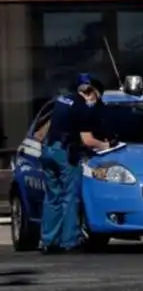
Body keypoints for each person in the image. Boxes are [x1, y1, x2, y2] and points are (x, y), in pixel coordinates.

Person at [39, 75, 110, 254]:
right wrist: (107, 145)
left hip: (49, 151)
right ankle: (69, 241)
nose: (96, 100)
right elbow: (87, 140)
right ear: (91, 92)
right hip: (65, 154)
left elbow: (46, 128)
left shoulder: (64, 100)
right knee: (70, 198)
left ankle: (48, 240)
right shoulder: (82, 108)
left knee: (52, 197)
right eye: (97, 96)